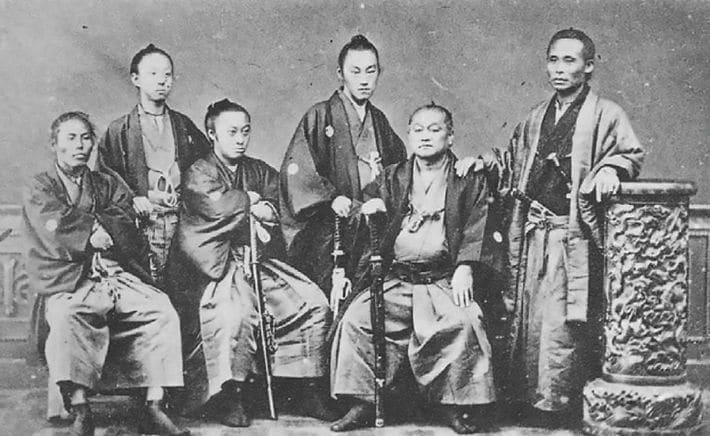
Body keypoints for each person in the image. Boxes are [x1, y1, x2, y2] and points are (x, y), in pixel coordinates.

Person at [494, 28, 645, 427]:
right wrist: (482, 166)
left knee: (560, 322)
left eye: (569, 60)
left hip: (570, 234)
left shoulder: (607, 113)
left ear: (589, 66)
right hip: (532, 231)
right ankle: (527, 400)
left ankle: (556, 405)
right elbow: (511, 165)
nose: (559, 69)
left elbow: (629, 154)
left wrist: (611, 169)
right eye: (553, 60)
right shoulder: (534, 118)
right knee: (529, 320)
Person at [330, 104, 497, 434]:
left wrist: (466, 266)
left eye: (435, 129)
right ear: (408, 135)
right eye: (418, 129)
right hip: (397, 279)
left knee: (464, 322)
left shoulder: (466, 177)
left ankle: (453, 405)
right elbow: (365, 207)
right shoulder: (393, 176)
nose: (425, 136)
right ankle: (362, 402)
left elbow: (479, 222)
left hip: (442, 280)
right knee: (357, 319)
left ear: (450, 136)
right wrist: (370, 207)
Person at [166, 99, 333, 427]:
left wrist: (259, 208)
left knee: (312, 304)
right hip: (216, 265)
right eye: (231, 132)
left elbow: (280, 201)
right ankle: (232, 394)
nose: (240, 139)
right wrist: (248, 203)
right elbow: (215, 207)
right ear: (212, 134)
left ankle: (307, 387)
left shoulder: (257, 169)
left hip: (256, 260)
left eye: (245, 131)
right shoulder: (199, 171)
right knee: (236, 313)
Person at [22, 112, 188, 436]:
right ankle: (81, 408)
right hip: (69, 277)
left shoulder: (106, 182)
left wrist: (100, 224)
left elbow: (125, 215)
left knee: (161, 310)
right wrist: (91, 230)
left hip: (114, 273)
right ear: (54, 144)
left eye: (86, 138)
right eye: (71, 138)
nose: (80, 145)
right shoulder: (41, 185)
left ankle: (153, 405)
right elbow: (50, 222)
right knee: (68, 314)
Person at [99, 44, 210, 289]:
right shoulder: (119, 130)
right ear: (135, 79)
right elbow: (106, 175)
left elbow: (207, 166)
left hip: (182, 221)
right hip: (145, 222)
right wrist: (132, 198)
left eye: (167, 74)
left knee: (185, 287)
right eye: (153, 74)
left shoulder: (183, 125)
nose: (162, 81)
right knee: (150, 288)